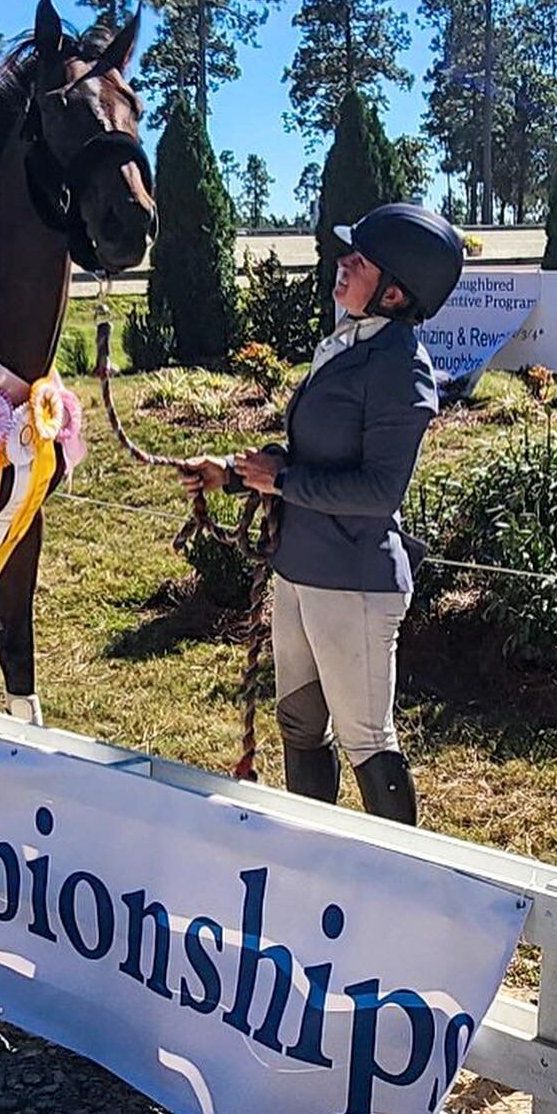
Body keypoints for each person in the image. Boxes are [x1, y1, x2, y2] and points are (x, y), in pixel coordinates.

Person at [183, 203, 464, 824]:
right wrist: (232, 474)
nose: (341, 263)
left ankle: (398, 873)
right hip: (300, 570)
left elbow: (378, 492)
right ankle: (318, 857)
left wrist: (283, 479)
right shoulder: (348, 341)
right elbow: (306, 460)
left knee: (366, 739)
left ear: (393, 293)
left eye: (358, 260)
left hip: (354, 583)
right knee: (300, 723)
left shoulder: (399, 368)